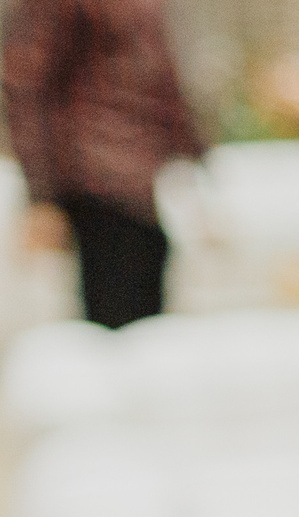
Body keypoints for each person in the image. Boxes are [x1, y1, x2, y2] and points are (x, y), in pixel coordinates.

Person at [1, 0, 201, 328]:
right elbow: (27, 84)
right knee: (114, 331)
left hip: (147, 186)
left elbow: (164, 80)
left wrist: (196, 167)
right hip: (97, 184)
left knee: (150, 329)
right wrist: (42, 197)